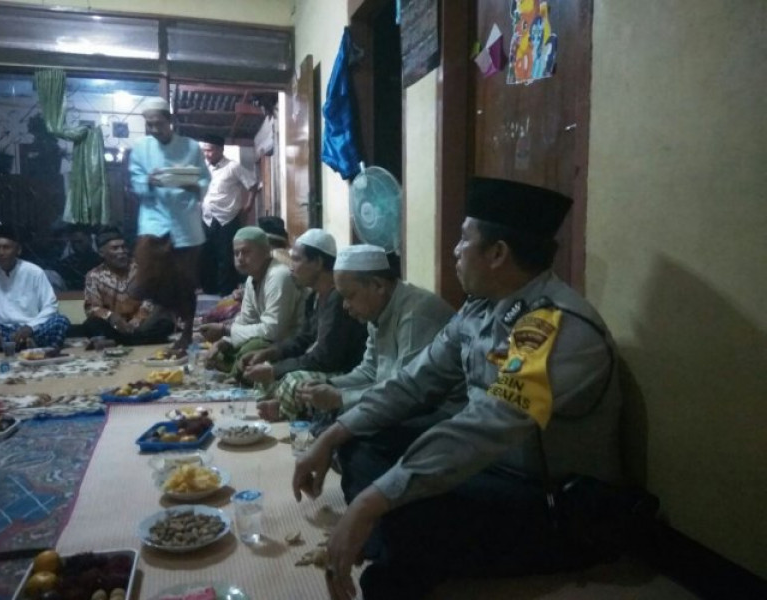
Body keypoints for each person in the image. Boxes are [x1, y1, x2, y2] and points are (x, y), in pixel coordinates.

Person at [292, 178, 623, 600]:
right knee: (360, 445)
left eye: (464, 240)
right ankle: (386, 540)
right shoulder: (480, 309)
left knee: (401, 519)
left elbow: (482, 430)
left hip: (549, 499)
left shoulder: (555, 326)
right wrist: (332, 435)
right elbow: (414, 382)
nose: (455, 251)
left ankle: (386, 544)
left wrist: (371, 502)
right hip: (486, 469)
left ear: (497, 254)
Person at [293, 244, 459, 429]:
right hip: (398, 401)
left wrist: (341, 397)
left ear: (378, 285)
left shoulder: (416, 314)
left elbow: (406, 395)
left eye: (349, 296)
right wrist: (329, 384)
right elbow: (370, 371)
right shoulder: (376, 311)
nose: (345, 306)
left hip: (439, 412)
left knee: (351, 430)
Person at [240, 229, 367, 421]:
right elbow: (304, 339)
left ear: (318, 263)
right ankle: (280, 405)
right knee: (269, 367)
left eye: (297, 259)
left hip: (343, 371)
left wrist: (276, 370)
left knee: (292, 380)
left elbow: (325, 358)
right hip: (320, 363)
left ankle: (285, 411)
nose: (291, 266)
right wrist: (272, 353)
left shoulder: (338, 299)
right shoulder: (314, 296)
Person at [128, 96, 210, 349]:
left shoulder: (191, 147)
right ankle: (163, 317)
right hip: (154, 219)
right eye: (149, 124)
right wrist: (148, 181)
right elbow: (135, 181)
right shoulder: (140, 148)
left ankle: (186, 332)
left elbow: (204, 179)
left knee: (186, 282)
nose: (154, 129)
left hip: (185, 221)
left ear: (170, 120)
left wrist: (193, 185)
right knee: (146, 277)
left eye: (158, 124)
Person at [203, 226, 305, 378]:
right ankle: (237, 371)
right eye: (236, 253)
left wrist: (225, 330)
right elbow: (246, 320)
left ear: (266, 251)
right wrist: (224, 341)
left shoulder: (279, 275)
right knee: (222, 350)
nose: (240, 258)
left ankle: (240, 373)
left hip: (288, 344)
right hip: (269, 338)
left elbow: (273, 331)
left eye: (246, 252)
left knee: (253, 348)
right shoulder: (251, 279)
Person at [0, 225, 70, 353]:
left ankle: (5, 346)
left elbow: (50, 306)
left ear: (18, 250)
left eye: (6, 247)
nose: (1, 252)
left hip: (30, 329)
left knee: (60, 321)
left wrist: (30, 327)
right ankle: (20, 346)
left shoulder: (34, 272)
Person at [82, 226, 175, 345]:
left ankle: (120, 342)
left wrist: (136, 321)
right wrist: (111, 316)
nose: (121, 252)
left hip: (143, 325)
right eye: (115, 248)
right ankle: (135, 340)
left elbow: (150, 301)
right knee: (91, 324)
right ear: (101, 253)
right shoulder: (94, 275)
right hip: (114, 328)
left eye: (123, 247)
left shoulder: (141, 269)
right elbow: (91, 308)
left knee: (166, 322)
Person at [199, 134, 258, 296]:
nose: (206, 154)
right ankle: (209, 291)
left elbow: (253, 185)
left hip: (227, 219)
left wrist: (248, 206)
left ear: (220, 150)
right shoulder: (204, 169)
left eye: (210, 150)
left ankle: (226, 293)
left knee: (226, 257)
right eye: (204, 150)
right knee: (207, 255)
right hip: (207, 218)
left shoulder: (233, 167)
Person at [56, 224, 102, 289]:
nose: (76, 246)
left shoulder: (101, 262)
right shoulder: (66, 264)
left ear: (90, 240)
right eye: (74, 242)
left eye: (80, 242)